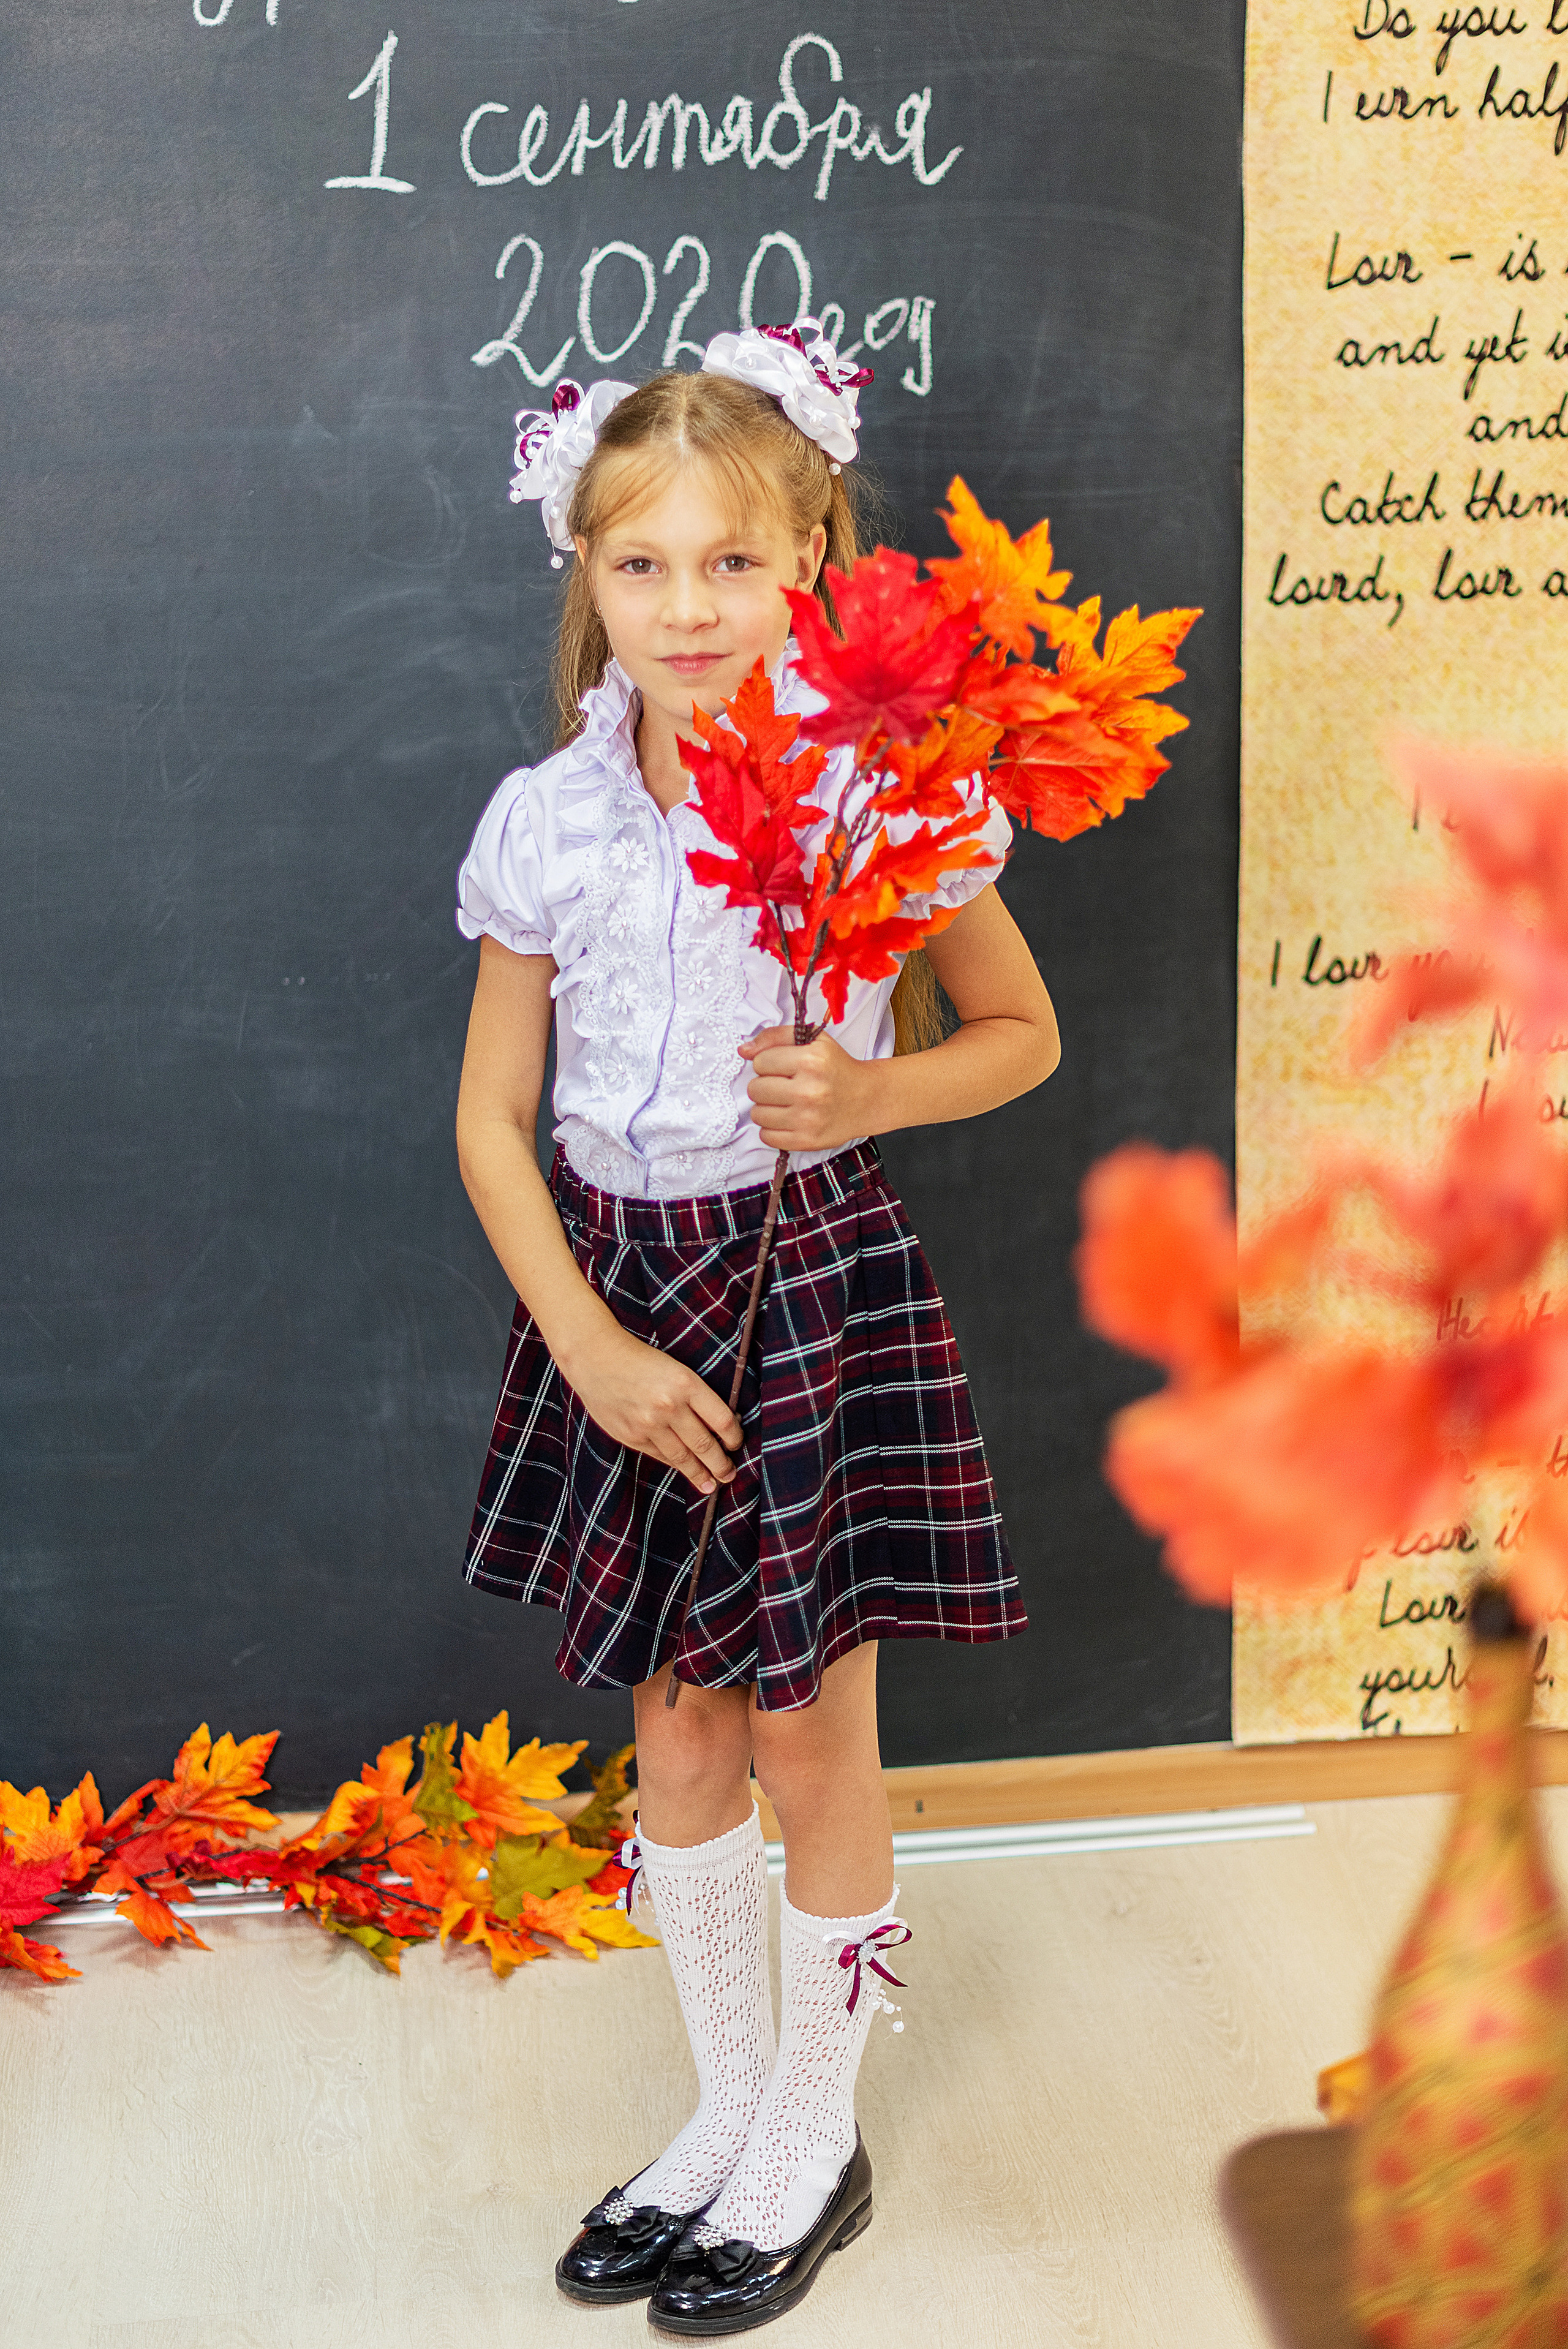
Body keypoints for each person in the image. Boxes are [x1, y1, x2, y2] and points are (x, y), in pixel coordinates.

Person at [452, 319, 1059, 2336]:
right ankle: (723, 2111)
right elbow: (488, 1120)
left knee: (811, 1731)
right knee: (680, 1730)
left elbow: (1020, 1034)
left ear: (811, 555)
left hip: (806, 1282)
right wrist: (595, 1353)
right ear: (588, 576)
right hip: (622, 1298)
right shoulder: (547, 816)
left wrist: (874, 1092)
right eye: (644, 565)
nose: (689, 606)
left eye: (734, 562)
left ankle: (818, 2124)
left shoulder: (883, 802)